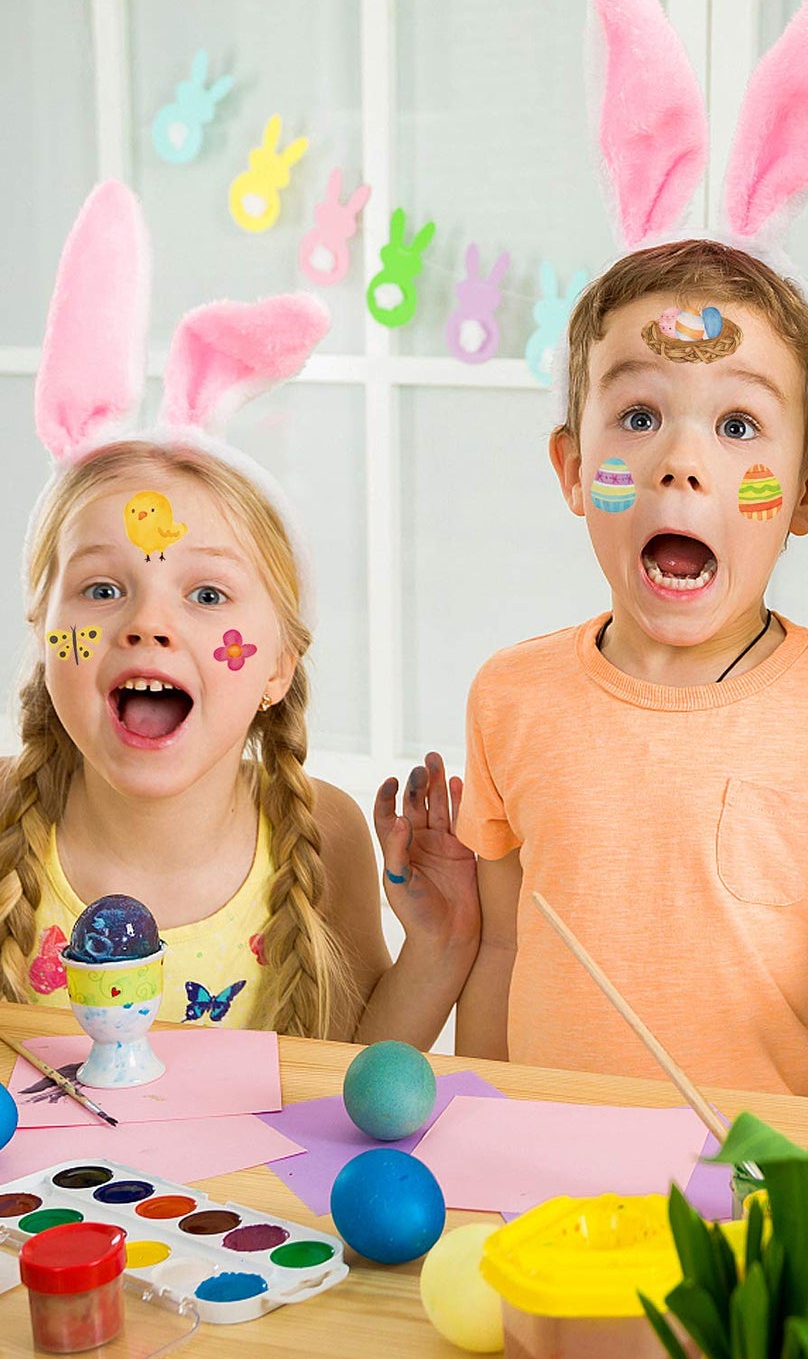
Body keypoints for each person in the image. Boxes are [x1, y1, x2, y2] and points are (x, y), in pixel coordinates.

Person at [399, 0, 808, 1105]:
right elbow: (506, 951)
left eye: (737, 424)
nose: (679, 458)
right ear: (573, 468)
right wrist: (484, 1132)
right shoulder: (508, 697)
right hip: (554, 1187)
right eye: (639, 414)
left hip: (762, 1201)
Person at [1, 182, 477, 1044]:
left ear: (276, 665)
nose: (146, 624)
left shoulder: (321, 832)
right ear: (45, 634)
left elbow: (348, 1085)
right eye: (101, 590)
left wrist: (439, 945)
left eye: (208, 595)